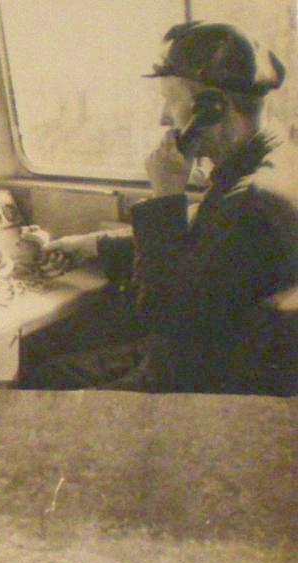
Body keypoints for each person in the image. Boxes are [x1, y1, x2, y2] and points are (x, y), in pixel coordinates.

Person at [35, 21, 297, 395]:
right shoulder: (269, 167)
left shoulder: (251, 203)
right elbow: (203, 246)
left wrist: (166, 193)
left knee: (44, 383)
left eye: (170, 101)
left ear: (210, 108)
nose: (163, 118)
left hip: (198, 385)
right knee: (56, 371)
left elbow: (159, 314)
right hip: (211, 358)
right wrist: (92, 246)